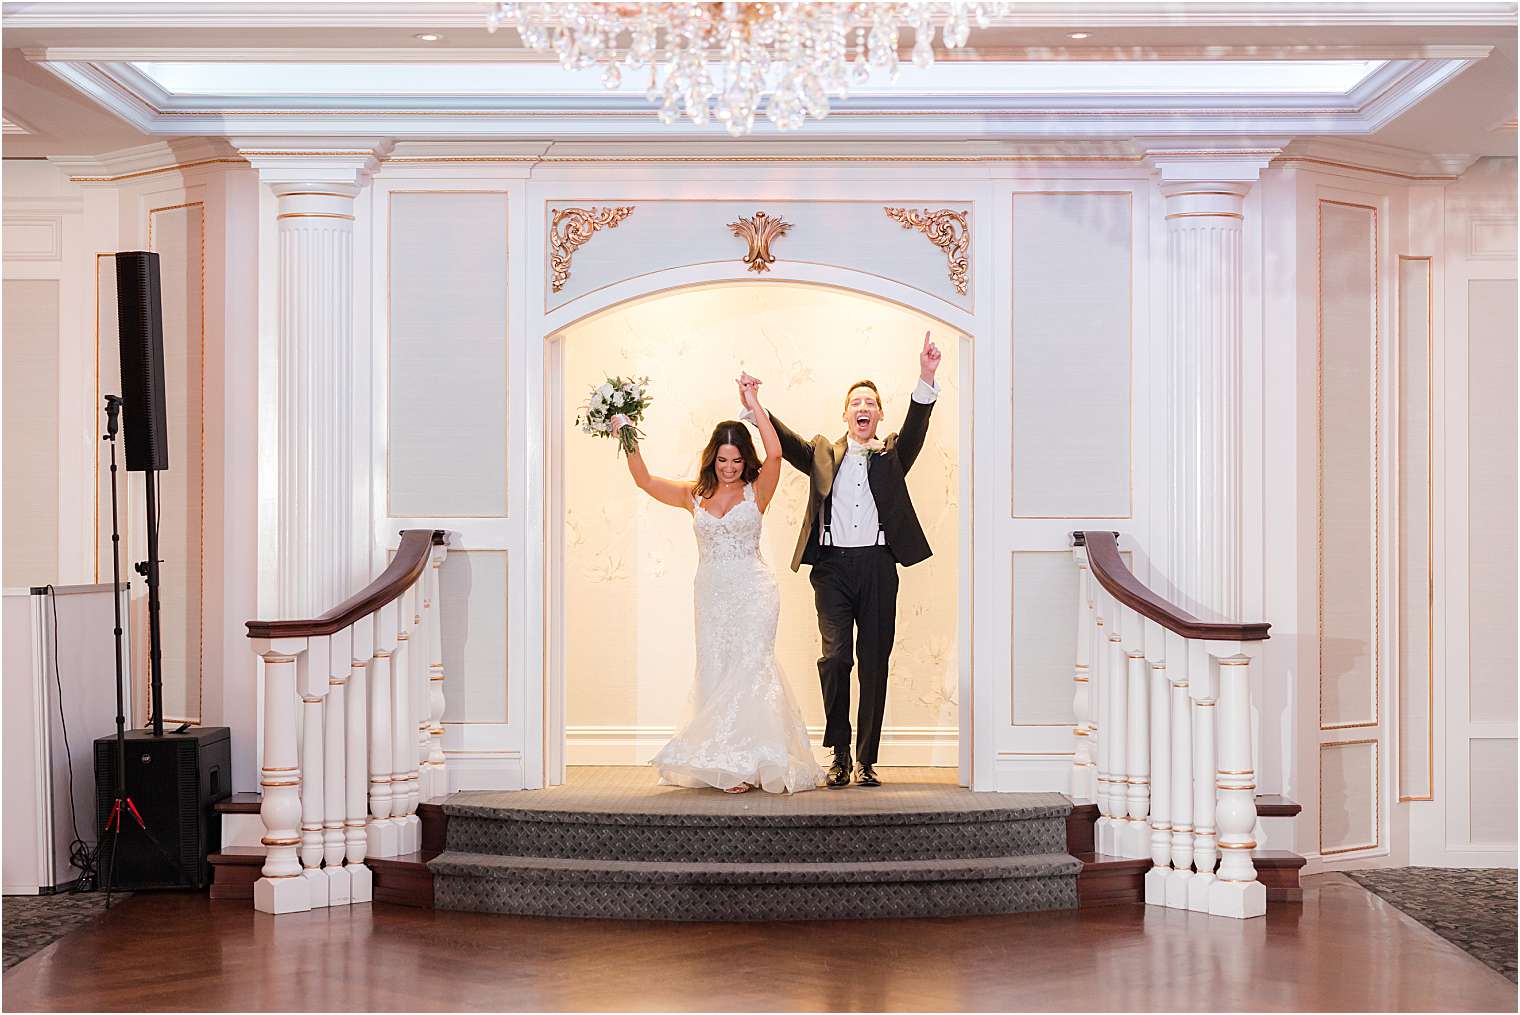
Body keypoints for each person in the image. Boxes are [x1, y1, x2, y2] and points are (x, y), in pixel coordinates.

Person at [736, 330, 941, 788]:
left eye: (870, 402)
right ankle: (839, 753)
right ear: (845, 414)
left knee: (874, 662)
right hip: (831, 570)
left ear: (878, 413)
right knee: (835, 659)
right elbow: (785, 441)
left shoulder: (891, 454)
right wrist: (754, 405)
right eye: (856, 403)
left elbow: (915, 431)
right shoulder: (824, 453)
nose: (863, 408)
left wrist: (926, 376)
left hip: (877, 569)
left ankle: (866, 760)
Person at [610, 384, 822, 794]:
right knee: (717, 669)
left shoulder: (757, 490)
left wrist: (755, 405)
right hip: (711, 594)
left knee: (751, 666)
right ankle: (725, 760)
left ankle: (750, 760)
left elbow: (776, 454)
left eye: (737, 460)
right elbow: (645, 480)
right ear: (713, 458)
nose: (729, 467)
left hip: (754, 590)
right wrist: (626, 432)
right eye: (723, 460)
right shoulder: (695, 494)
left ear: (746, 461)